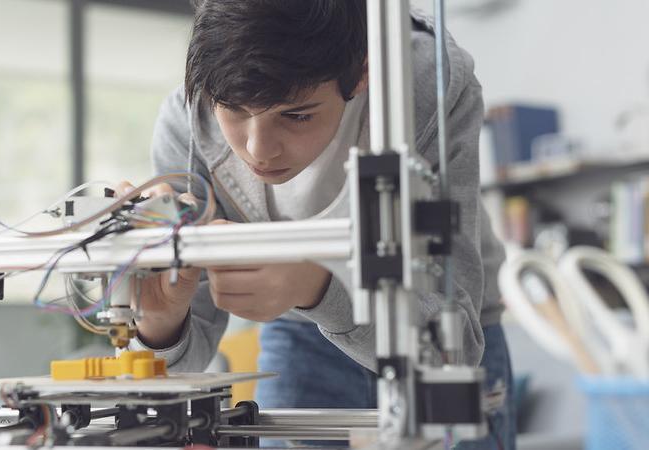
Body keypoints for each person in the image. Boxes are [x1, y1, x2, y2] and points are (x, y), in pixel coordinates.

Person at [122, 1, 514, 448]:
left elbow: (456, 348)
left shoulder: (432, 83)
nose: (259, 149)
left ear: (363, 72)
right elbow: (185, 363)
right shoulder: (187, 121)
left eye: (296, 115)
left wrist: (318, 287)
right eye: (233, 110)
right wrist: (160, 326)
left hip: (433, 324)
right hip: (300, 331)